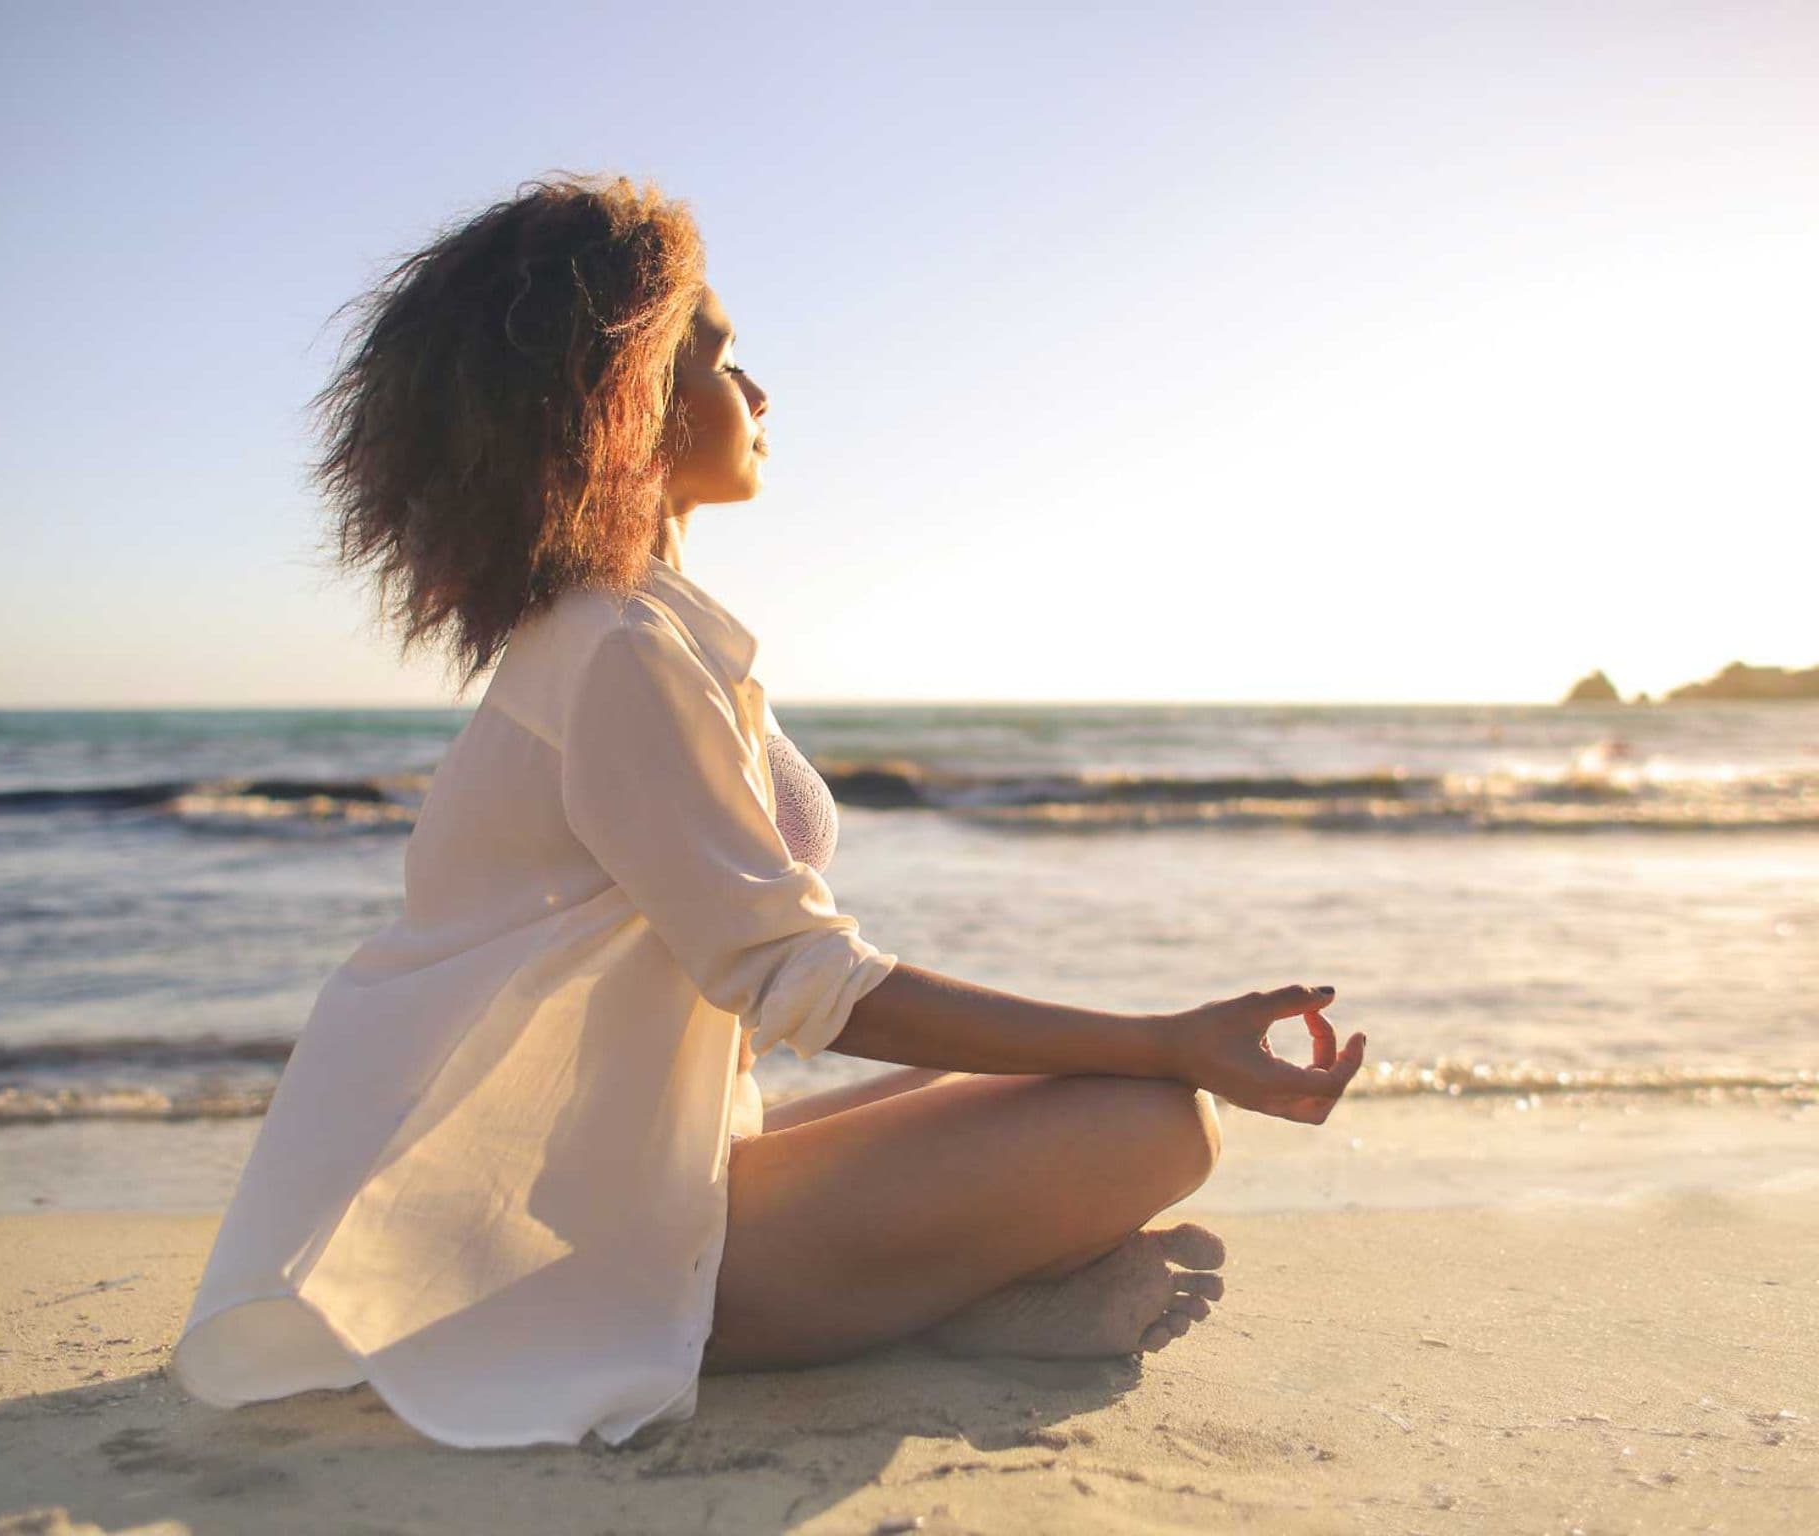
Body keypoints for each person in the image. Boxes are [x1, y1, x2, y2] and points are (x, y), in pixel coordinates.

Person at [169, 173, 1367, 1452]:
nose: (757, 394)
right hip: (586, 1251)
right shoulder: (615, 648)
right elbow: (799, 980)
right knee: (1142, 1114)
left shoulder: (641, 630)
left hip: (654, 1173)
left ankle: (956, 1288)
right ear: (620, 397)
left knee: (1064, 1077)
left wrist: (1138, 1039)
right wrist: (1168, 1043)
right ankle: (941, 1303)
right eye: (722, 358)